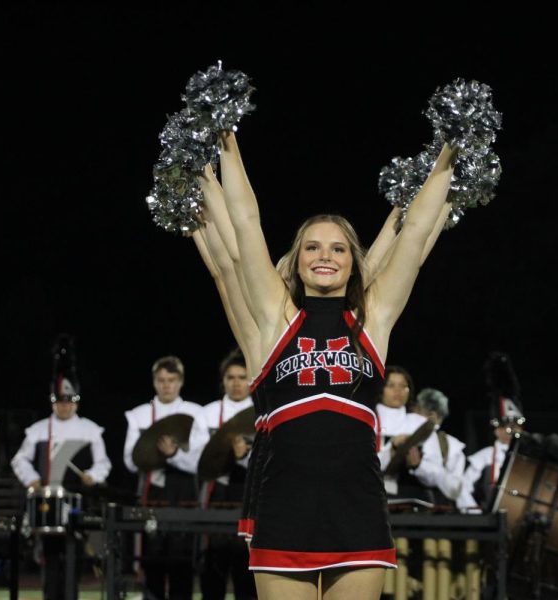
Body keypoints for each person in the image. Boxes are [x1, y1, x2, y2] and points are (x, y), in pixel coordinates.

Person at [193, 127, 456, 600]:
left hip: (357, 510)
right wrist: (223, 133)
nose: (324, 256)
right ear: (296, 262)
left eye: (337, 248)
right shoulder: (274, 320)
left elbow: (415, 236)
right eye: (312, 247)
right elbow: (245, 227)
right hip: (285, 509)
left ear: (354, 263)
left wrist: (453, 147)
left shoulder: (372, 322)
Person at [10, 335, 111, 600]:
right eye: (60, 401)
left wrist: (93, 476)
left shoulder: (90, 430)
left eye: (68, 401)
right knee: (50, 563)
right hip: (47, 508)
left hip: (78, 507)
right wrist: (31, 479)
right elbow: (19, 459)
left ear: (76, 401)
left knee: (73, 563)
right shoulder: (38, 430)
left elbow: (104, 463)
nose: (64, 406)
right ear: (53, 401)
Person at [124, 355, 206, 600]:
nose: (166, 385)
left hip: (184, 492)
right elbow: (129, 460)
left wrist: (173, 456)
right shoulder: (138, 415)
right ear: (154, 382)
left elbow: (200, 461)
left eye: (171, 380)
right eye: (161, 380)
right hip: (151, 491)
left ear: (180, 382)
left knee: (182, 564)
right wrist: (153, 455)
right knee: (152, 562)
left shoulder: (196, 413)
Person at [192, 348, 257, 600]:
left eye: (242, 377)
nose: (237, 383)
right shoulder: (206, 413)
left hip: (249, 494)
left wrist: (244, 457)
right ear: (223, 382)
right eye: (231, 377)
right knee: (213, 568)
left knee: (247, 570)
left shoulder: (262, 412)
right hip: (216, 492)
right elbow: (195, 458)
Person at [376, 366, 444, 502]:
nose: (398, 391)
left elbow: (437, 475)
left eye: (403, 386)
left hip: (414, 499)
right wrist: (392, 448)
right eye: (391, 385)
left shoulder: (420, 423)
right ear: (380, 389)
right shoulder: (368, 421)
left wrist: (418, 465)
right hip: (374, 498)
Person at [409, 387, 468, 506]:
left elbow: (454, 488)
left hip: (432, 510)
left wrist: (421, 466)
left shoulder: (451, 446)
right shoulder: (403, 433)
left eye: (418, 409)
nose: (412, 412)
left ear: (432, 415)